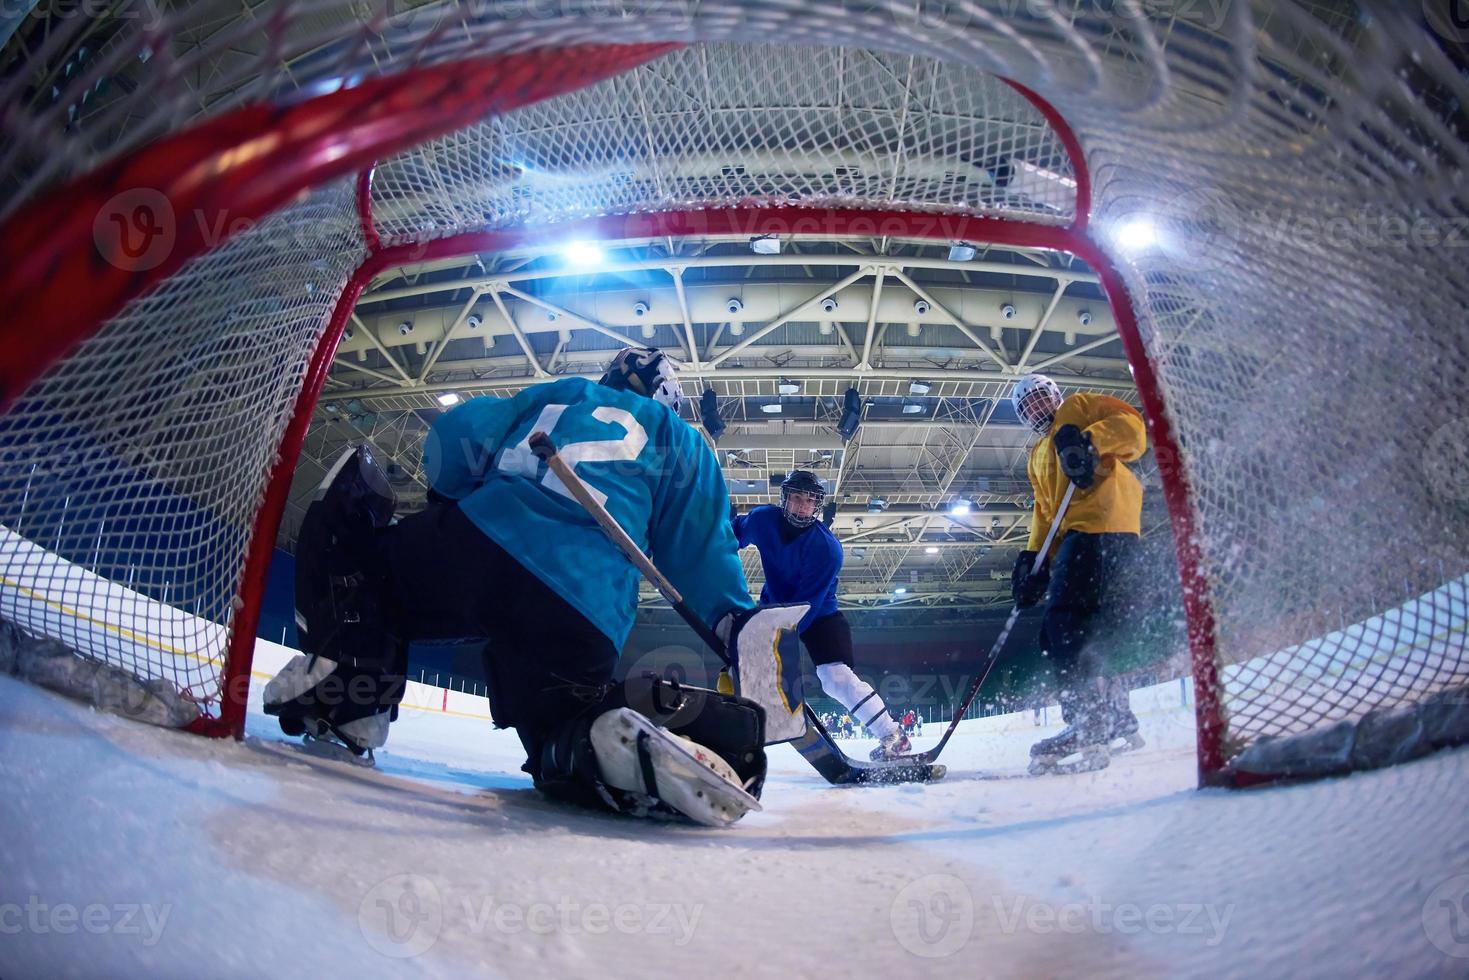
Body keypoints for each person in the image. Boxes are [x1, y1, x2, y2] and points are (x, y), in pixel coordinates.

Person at [264, 347, 804, 827]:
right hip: (580, 606)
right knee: (559, 729)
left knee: (366, 568)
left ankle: (350, 697)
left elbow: (451, 444)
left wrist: (451, 496)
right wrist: (731, 622)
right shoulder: (684, 443)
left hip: (474, 546)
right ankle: (593, 739)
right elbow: (701, 554)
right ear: (672, 400)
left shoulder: (559, 393)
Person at [1009, 373, 1147, 774]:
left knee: (1062, 626)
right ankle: (1116, 716)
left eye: (1039, 398)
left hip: (1102, 529)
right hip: (1083, 537)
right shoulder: (1037, 456)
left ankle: (1089, 723)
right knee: (1087, 634)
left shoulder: (1078, 409)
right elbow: (1045, 516)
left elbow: (1134, 431)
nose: (1036, 408)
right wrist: (1033, 563)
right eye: (1027, 406)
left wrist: (1087, 441)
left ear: (1053, 396)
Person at [730, 470, 911, 761]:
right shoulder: (764, 519)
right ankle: (745, 734)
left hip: (819, 615)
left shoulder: (827, 549)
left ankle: (893, 735)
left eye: (810, 501)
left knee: (835, 678)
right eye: (797, 499)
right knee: (748, 670)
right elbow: (732, 536)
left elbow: (807, 605)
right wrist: (717, 522)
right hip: (773, 610)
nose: (803, 506)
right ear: (784, 500)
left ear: (818, 506)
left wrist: (775, 642)